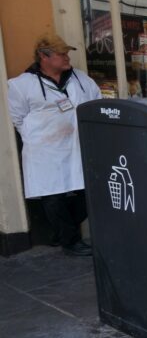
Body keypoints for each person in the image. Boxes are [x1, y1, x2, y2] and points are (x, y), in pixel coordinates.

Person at [7, 33, 101, 256]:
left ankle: (62, 232)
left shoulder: (80, 79)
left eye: (67, 53)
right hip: (45, 150)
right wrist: (36, 137)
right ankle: (70, 241)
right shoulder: (22, 85)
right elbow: (17, 117)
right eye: (61, 54)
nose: (67, 57)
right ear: (44, 56)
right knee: (52, 196)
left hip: (77, 145)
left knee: (88, 192)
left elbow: (96, 100)